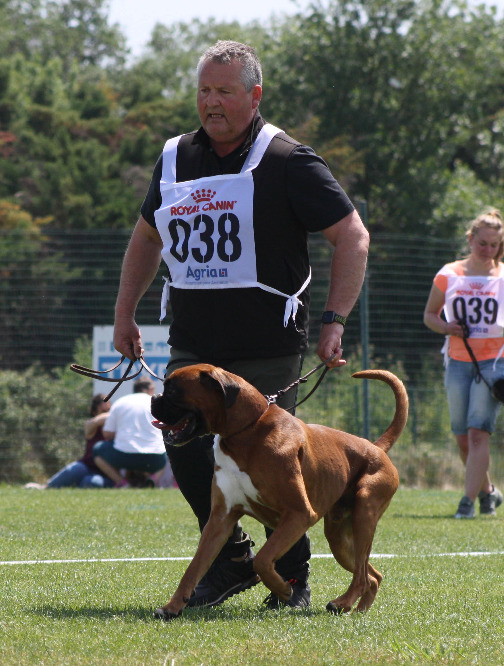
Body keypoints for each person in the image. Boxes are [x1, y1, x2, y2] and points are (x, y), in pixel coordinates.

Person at [109, 40, 369, 611]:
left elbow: (352, 235)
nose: (211, 102)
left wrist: (334, 320)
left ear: (254, 96)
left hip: (265, 344)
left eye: (224, 91)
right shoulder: (175, 156)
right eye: (204, 90)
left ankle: (292, 579)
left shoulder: (288, 159)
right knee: (181, 442)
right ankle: (230, 562)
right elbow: (147, 237)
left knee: (273, 462)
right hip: (194, 343)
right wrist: (125, 311)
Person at [422, 208, 504, 519]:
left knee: (478, 434)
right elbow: (430, 316)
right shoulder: (448, 274)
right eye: (482, 243)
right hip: (459, 361)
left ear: (502, 245)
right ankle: (488, 492)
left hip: (497, 362)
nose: (488, 250)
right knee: (462, 438)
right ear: (470, 239)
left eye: (494, 245)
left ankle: (467, 504)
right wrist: (447, 327)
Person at [93, 378, 168, 488]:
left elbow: (107, 434)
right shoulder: (157, 403)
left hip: (124, 457)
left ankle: (123, 483)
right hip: (155, 459)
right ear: (150, 389)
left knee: (97, 450)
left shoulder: (120, 402)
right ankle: (153, 480)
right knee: (167, 449)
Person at [31, 393, 113, 489]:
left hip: (105, 473)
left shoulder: (114, 427)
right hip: (86, 467)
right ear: (95, 412)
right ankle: (47, 487)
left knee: (92, 482)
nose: (107, 414)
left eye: (109, 410)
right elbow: (95, 422)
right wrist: (114, 414)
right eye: (103, 411)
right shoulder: (91, 425)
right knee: (75, 469)